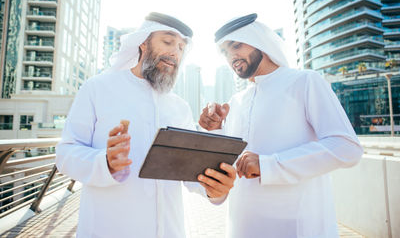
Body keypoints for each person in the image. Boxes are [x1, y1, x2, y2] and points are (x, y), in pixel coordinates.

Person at [56, 12, 236, 238]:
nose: (175, 52)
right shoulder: (98, 88)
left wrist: (215, 190)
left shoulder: (179, 107)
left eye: (181, 47)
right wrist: (105, 162)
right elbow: (65, 154)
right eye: (168, 42)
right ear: (143, 42)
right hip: (108, 229)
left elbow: (192, 174)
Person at [199, 13, 363, 238]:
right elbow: (222, 182)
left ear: (260, 42)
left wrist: (269, 165)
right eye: (225, 52)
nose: (231, 56)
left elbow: (347, 148)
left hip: (298, 228)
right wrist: (215, 131)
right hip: (241, 229)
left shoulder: (305, 82)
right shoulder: (235, 102)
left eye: (236, 45)